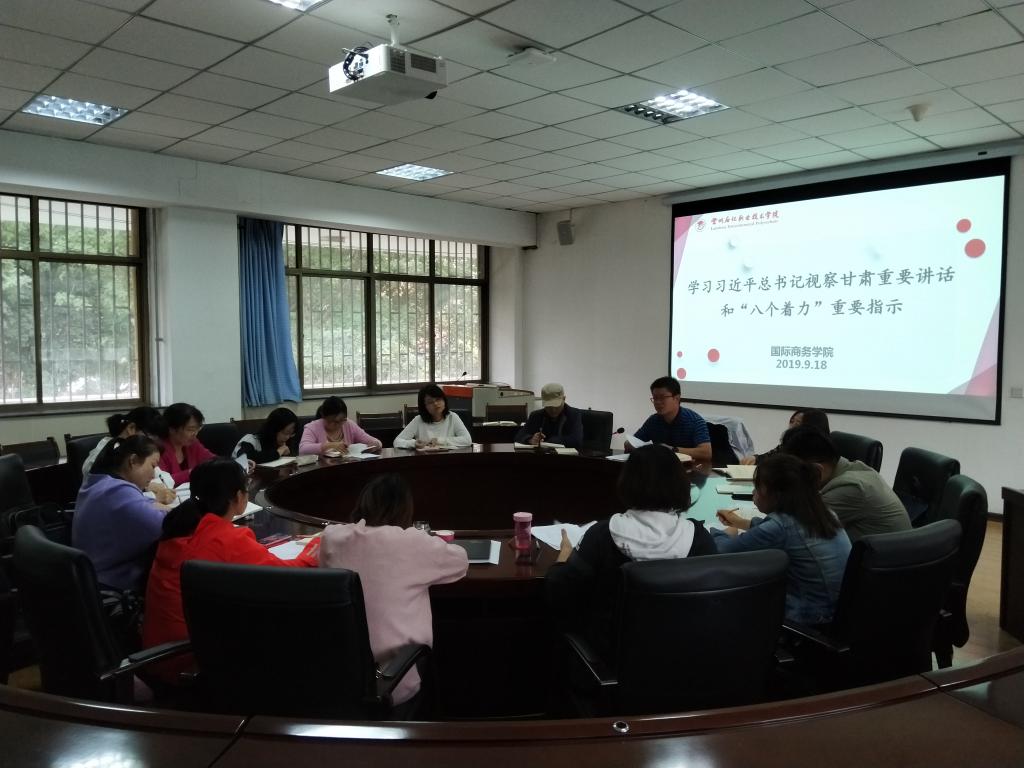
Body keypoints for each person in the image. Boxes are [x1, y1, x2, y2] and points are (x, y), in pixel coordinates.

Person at [141, 458, 318, 685]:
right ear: (237, 496)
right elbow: (288, 578)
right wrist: (318, 546)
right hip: (192, 662)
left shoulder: (181, 525)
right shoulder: (226, 538)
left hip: (158, 654)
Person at [545, 444, 716, 655]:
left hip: (612, 657)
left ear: (627, 483)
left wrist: (563, 558)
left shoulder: (603, 535)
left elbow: (561, 592)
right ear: (681, 484)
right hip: (684, 657)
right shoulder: (699, 539)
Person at [319, 474, 468, 707]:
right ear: (405, 509)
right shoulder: (412, 542)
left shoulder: (332, 538)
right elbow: (460, 561)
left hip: (338, 678)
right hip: (392, 683)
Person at [713, 453, 852, 625]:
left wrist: (722, 533)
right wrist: (740, 522)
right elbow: (780, 531)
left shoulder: (780, 527)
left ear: (776, 494)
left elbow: (720, 552)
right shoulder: (822, 511)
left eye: (757, 487)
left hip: (812, 617)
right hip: (839, 611)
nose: (753, 492)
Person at [72, 435, 167, 593]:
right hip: (112, 587)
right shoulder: (116, 491)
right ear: (133, 461)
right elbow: (164, 526)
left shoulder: (100, 481)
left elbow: (144, 503)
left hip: (92, 579)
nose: (153, 475)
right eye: (152, 466)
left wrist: (159, 506)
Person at [781, 426, 910, 542]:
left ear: (817, 470)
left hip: (884, 560)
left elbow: (791, 528)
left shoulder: (849, 488)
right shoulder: (859, 468)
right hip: (881, 553)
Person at [82, 407, 175, 504]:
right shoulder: (104, 454)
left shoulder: (136, 452)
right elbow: (110, 497)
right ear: (131, 428)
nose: (151, 446)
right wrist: (150, 493)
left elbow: (165, 479)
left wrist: (152, 485)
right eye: (150, 440)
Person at [626, 376, 712, 463]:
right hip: (660, 467)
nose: (658, 402)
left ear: (677, 398)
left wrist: (672, 450)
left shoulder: (694, 421)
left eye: (662, 397)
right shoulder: (653, 420)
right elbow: (631, 442)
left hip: (688, 468)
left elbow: (706, 452)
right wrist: (631, 445)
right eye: (655, 398)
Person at [741, 408, 830, 465]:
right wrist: (755, 459)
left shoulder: (818, 452)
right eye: (792, 421)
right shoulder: (789, 442)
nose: (792, 426)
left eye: (798, 423)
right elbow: (772, 456)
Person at [393, 385, 472, 449]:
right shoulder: (418, 420)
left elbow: (467, 440)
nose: (436, 404)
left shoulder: (453, 417)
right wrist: (414, 443)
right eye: (430, 402)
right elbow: (397, 441)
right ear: (424, 406)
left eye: (438, 399)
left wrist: (439, 441)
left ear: (444, 400)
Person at [298, 396, 383, 455]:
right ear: (323, 416)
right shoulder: (312, 427)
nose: (338, 425)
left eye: (341, 420)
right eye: (333, 421)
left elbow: (373, 440)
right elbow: (303, 450)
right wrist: (330, 445)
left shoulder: (348, 424)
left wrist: (376, 444)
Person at [157, 402, 216, 485]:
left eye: (198, 429)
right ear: (172, 429)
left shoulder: (193, 443)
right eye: (190, 429)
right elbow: (161, 481)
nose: (195, 434)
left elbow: (213, 461)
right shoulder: (159, 449)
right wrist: (193, 473)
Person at [514, 382, 583, 448]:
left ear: (564, 399)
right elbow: (519, 436)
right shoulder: (536, 415)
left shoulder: (574, 414)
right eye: (549, 406)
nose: (553, 410)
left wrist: (550, 441)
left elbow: (576, 440)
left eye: (556, 406)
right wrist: (530, 439)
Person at [233, 407, 299, 464]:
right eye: (285, 433)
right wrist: (279, 452)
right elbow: (246, 458)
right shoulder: (250, 440)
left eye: (291, 434)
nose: (287, 437)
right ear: (273, 429)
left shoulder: (282, 442)